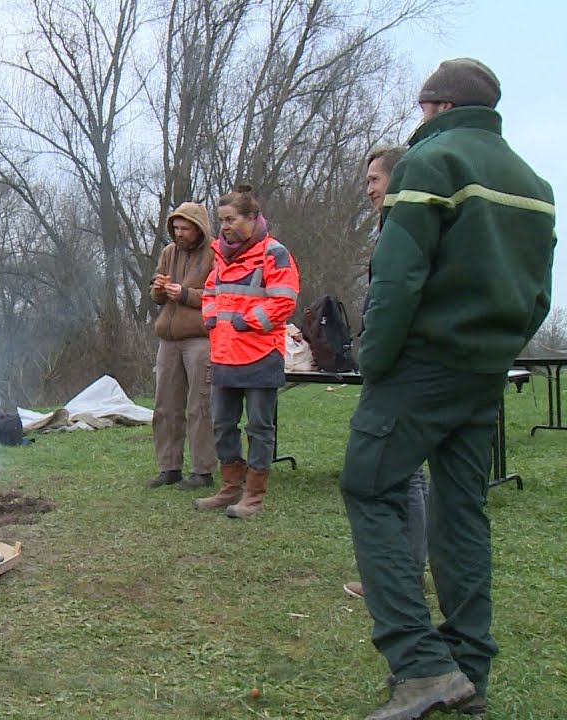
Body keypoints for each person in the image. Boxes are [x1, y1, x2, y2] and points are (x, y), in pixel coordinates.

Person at [342, 59, 554, 720]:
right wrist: (496, 349)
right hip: (485, 371)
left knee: (368, 487)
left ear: (433, 106)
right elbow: (539, 294)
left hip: (421, 367)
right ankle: (469, 670)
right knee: (461, 510)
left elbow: (399, 275)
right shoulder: (536, 183)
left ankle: (420, 663)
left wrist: (372, 359)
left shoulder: (429, 165)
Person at [342, 145, 430, 600]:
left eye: (375, 180)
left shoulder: (407, 226)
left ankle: (406, 573)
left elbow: (397, 298)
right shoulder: (388, 226)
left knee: (405, 471)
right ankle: (398, 571)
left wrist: (375, 356)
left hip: (402, 367)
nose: (369, 190)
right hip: (392, 364)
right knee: (402, 472)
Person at [194, 185, 300, 518]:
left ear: (252, 218)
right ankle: (229, 489)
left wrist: (247, 322)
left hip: (260, 354)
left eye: (231, 219)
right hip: (224, 355)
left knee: (259, 427)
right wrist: (211, 317)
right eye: (221, 220)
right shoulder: (221, 256)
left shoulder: (275, 253)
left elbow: (285, 299)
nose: (224, 226)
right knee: (222, 424)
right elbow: (211, 290)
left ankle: (253, 497)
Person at [147, 202, 216, 490]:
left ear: (198, 228)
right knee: (165, 406)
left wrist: (185, 294)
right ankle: (169, 466)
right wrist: (159, 290)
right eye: (175, 228)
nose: (179, 233)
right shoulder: (168, 253)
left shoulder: (215, 253)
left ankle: (202, 471)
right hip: (169, 338)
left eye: (185, 228)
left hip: (200, 338)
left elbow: (219, 296)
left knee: (199, 406)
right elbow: (155, 295)